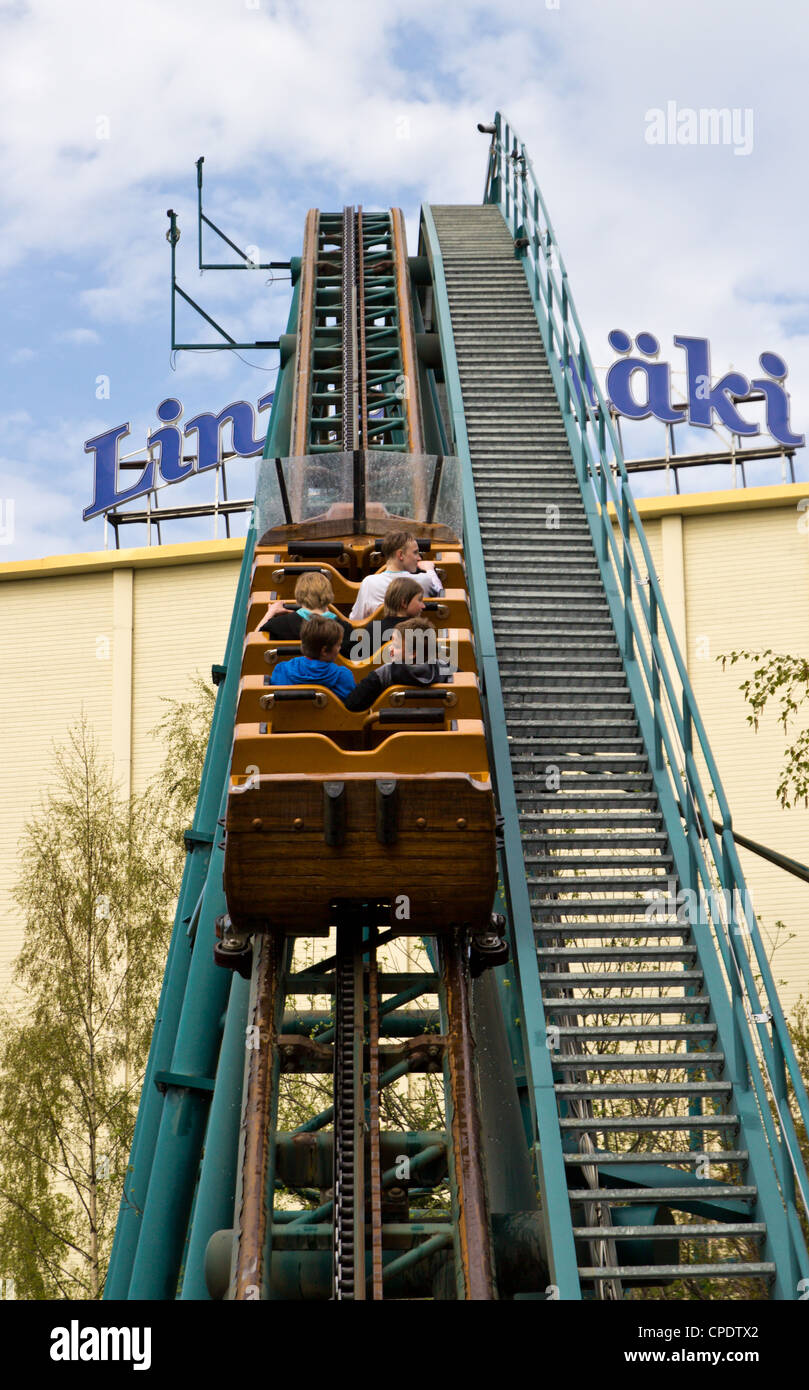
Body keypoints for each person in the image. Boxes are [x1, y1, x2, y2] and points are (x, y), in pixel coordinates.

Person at [343, 617, 450, 712]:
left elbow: (351, 705)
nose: (390, 649)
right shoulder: (447, 670)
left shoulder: (382, 675)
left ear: (413, 653)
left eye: (396, 646)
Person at [348, 531, 442, 622]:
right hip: (415, 636)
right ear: (400, 555)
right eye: (415, 552)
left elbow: (356, 620)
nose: (419, 558)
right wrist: (430, 570)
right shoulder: (423, 580)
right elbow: (442, 597)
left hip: (378, 636)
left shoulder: (369, 583)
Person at [270, 614, 356, 703]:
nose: (339, 648)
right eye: (338, 645)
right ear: (324, 650)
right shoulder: (343, 677)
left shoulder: (281, 670)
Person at [259, 572, 352, 647]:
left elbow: (253, 649)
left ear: (298, 595)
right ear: (328, 595)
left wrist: (270, 612)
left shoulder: (277, 625)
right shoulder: (344, 629)